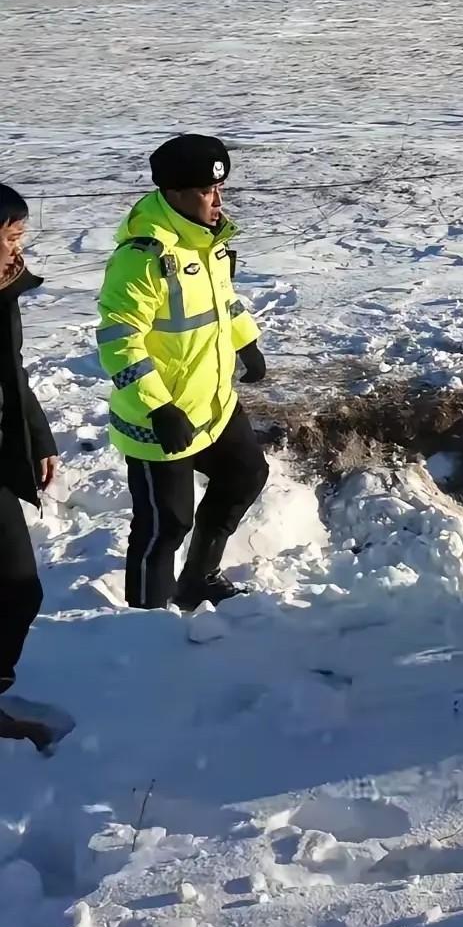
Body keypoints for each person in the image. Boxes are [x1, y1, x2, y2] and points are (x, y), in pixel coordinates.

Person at [96, 135, 270, 611]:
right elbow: (119, 339)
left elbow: (221, 301)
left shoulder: (207, 239)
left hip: (212, 403)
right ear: (174, 193)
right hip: (160, 418)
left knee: (245, 474)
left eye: (220, 188)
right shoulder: (143, 255)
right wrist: (159, 406)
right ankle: (144, 627)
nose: (218, 200)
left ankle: (198, 579)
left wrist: (246, 340)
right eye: (205, 191)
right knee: (164, 525)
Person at [0, 183, 58, 724]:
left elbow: (12, 375)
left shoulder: (3, 292)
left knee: (19, 591)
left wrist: (37, 438)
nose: (20, 249)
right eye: (12, 237)